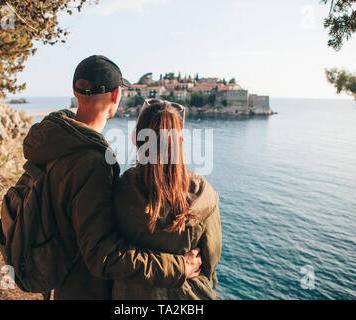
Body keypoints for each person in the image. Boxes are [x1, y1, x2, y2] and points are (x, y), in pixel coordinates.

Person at [22, 55, 202, 299]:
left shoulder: (56, 139)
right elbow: (102, 256)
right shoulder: (93, 163)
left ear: (76, 92)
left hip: (62, 284)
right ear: (116, 96)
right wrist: (179, 267)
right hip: (86, 291)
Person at [111, 99, 222, 300]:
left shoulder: (119, 192)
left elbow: (112, 255)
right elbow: (211, 258)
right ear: (180, 142)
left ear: (136, 139)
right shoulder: (203, 193)